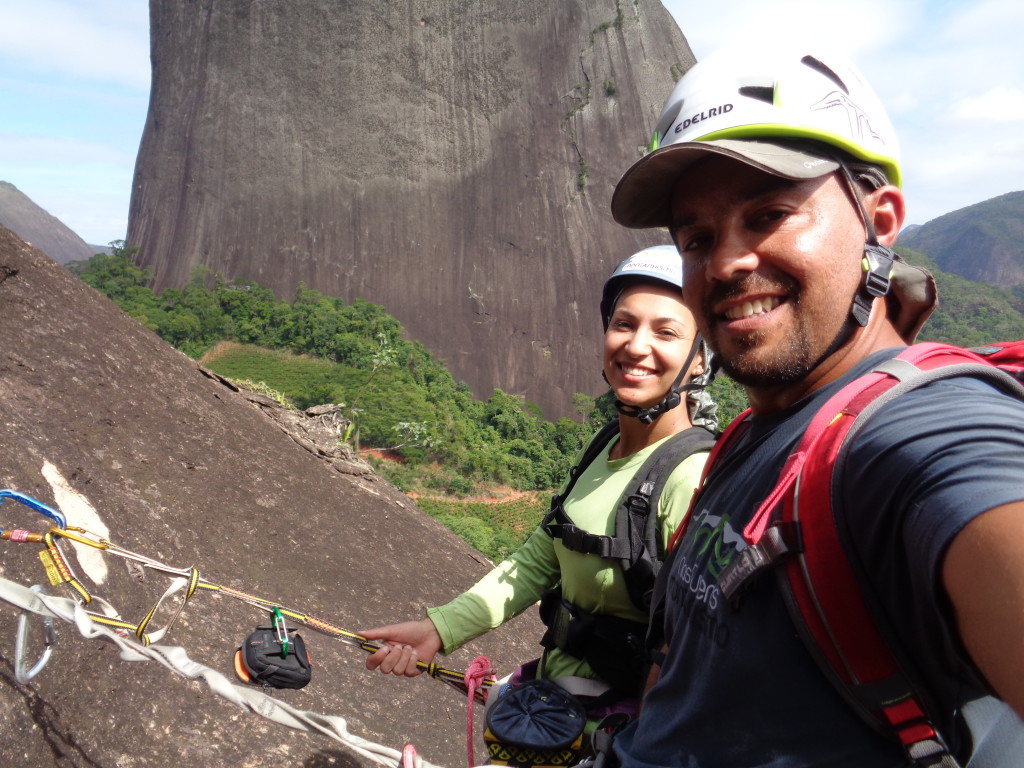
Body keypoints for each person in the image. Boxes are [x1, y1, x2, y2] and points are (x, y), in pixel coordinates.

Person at [606, 44, 1024, 767]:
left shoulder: (923, 436)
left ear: (881, 219)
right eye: (698, 237)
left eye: (769, 212)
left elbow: (974, 480)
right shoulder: (749, 436)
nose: (729, 261)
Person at [359, 246, 718, 726]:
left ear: (699, 358)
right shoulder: (606, 445)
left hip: (618, 736)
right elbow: (538, 560)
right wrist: (438, 630)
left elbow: (702, 651)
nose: (635, 345)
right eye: (624, 324)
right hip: (556, 708)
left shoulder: (688, 476)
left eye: (666, 332)